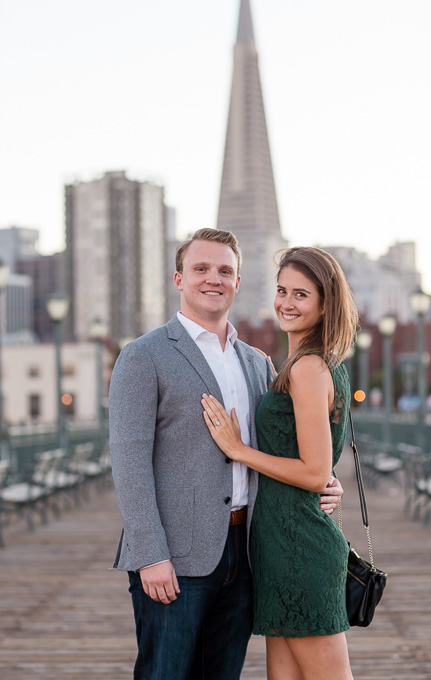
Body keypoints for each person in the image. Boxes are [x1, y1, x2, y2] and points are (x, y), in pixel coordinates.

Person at [109, 230, 344, 680]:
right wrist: (150, 554)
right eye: (201, 269)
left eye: (225, 271)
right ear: (179, 279)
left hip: (250, 553)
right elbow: (129, 464)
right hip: (175, 558)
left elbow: (284, 446)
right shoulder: (144, 356)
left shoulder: (258, 363)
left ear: (238, 282)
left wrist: (326, 481)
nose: (212, 279)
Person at [201, 246, 359, 680]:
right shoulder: (303, 364)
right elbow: (317, 466)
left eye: (302, 295)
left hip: (301, 549)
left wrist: (239, 450)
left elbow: (312, 472)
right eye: (282, 290)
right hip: (277, 546)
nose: (287, 302)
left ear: (326, 303)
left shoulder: (308, 368)